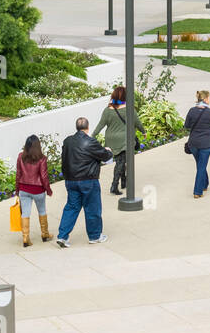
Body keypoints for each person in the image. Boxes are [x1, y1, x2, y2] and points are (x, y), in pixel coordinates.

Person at [55, 116, 113, 247]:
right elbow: (105, 156)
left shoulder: (68, 141)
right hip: (88, 180)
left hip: (71, 180)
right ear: (88, 127)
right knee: (92, 207)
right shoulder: (90, 142)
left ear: (77, 128)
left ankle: (62, 236)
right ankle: (95, 236)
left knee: (71, 207)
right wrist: (108, 151)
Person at [14, 134, 54, 247]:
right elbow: (44, 176)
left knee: (25, 213)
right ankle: (45, 235)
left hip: (24, 189)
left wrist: (17, 190)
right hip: (38, 190)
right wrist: (48, 190)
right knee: (42, 211)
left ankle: (25, 237)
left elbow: (18, 175)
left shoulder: (20, 157)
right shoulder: (42, 159)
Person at [92, 85, 132, 195]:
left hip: (110, 140)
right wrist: (143, 131)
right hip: (123, 140)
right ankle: (114, 186)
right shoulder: (127, 109)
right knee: (120, 162)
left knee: (121, 160)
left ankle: (124, 181)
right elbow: (136, 122)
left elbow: (99, 126)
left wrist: (90, 138)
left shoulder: (107, 110)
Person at [184, 90, 210, 199]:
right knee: (201, 166)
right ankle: (197, 191)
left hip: (193, 143)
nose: (209, 100)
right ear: (205, 99)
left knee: (200, 164)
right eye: (209, 98)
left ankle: (205, 184)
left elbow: (186, 126)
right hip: (206, 144)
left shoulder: (191, 111)